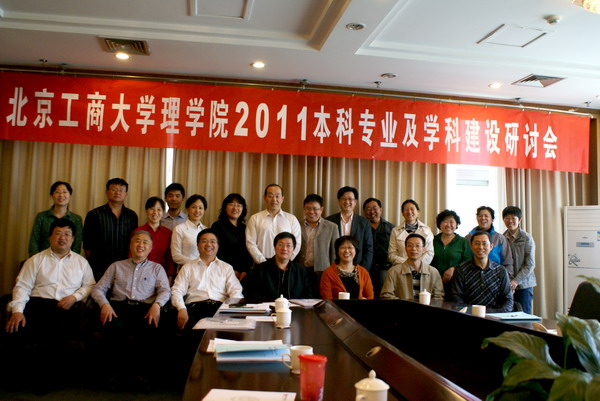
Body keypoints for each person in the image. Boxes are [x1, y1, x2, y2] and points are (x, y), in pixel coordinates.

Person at [4, 218, 95, 391]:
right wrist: (17, 311)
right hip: (37, 304)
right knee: (15, 327)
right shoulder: (35, 260)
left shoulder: (81, 262)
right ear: (50, 237)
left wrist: (74, 297)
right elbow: (22, 286)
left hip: (66, 306)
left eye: (67, 234)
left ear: (73, 239)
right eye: (58, 233)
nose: (63, 238)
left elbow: (90, 285)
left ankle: (45, 380)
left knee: (55, 331)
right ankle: (14, 380)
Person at [91, 230, 171, 388]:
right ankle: (115, 376)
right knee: (112, 330)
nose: (141, 245)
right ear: (130, 245)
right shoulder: (116, 266)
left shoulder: (157, 268)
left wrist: (157, 305)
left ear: (150, 248)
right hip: (118, 308)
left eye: (145, 242)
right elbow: (98, 289)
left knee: (151, 332)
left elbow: (165, 291)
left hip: (145, 309)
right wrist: (104, 304)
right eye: (137, 241)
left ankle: (142, 376)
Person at [171, 228, 244, 330]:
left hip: (220, 309)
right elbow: (176, 290)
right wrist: (181, 309)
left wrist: (231, 309)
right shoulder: (187, 267)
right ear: (197, 245)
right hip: (194, 309)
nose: (209, 244)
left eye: (213, 241)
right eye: (204, 241)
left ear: (218, 246)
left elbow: (236, 291)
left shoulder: (226, 268)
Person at [83, 177, 138, 280]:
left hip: (125, 266)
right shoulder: (94, 214)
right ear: (106, 192)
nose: (117, 193)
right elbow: (87, 243)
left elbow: (134, 240)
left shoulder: (132, 216)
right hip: (99, 265)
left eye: (121, 190)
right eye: (114, 189)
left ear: (126, 194)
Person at [448, 231, 513, 312]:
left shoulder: (500, 271)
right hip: (469, 315)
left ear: (491, 246)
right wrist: (470, 313)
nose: (481, 247)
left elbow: (508, 300)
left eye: (484, 244)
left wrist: (496, 315)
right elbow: (456, 297)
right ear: (471, 246)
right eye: (477, 243)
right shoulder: (461, 269)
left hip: (494, 316)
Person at [244, 232, 313, 300]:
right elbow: (252, 294)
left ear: (293, 249)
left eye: (288, 246)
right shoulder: (260, 270)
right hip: (268, 306)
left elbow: (308, 295)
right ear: (275, 247)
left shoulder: (301, 271)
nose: (284, 248)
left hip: (294, 307)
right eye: (280, 245)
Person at [245, 184, 301, 264]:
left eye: (277, 196)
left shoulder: (292, 219)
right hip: (262, 264)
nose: (274, 199)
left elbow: (297, 244)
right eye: (270, 196)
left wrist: (286, 261)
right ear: (265, 198)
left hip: (285, 264)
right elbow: (250, 243)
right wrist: (263, 263)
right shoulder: (255, 218)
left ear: (282, 199)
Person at [296, 194, 339, 292]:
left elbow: (335, 253)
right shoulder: (297, 225)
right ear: (304, 209)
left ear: (321, 209)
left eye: (315, 209)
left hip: (323, 271)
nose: (311, 212)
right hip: (301, 270)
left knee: (322, 297)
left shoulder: (332, 227)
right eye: (308, 208)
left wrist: (333, 273)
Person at [380, 233, 443, 300]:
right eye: (409, 245)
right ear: (405, 248)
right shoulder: (393, 272)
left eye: (417, 246)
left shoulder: (433, 272)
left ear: (423, 249)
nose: (413, 248)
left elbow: (438, 297)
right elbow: (387, 295)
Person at [28, 181, 83, 256]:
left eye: (64, 192)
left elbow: (77, 244)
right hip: (43, 259)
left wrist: (70, 260)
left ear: (70, 195)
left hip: (67, 260)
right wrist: (36, 259)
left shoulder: (76, 219)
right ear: (52, 195)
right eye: (57, 192)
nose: (61, 195)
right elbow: (34, 242)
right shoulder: (41, 217)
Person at [326, 186, 373, 271]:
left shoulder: (364, 223)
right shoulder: (329, 221)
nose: (347, 201)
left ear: (355, 202)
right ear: (339, 201)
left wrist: (362, 270)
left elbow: (368, 249)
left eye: (350, 199)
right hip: (334, 267)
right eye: (344, 199)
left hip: (358, 267)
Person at [211, 193, 253, 281]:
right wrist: (231, 270)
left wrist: (245, 270)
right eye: (231, 204)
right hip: (223, 272)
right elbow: (216, 252)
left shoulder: (245, 228)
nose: (235, 208)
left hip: (243, 274)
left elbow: (249, 250)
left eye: (239, 205)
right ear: (225, 207)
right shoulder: (218, 226)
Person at [465, 206, 514, 280]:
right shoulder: (468, 238)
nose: (483, 218)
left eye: (486, 216)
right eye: (480, 216)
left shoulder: (500, 239)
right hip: (473, 279)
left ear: (492, 219)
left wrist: (506, 280)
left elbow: (508, 263)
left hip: (496, 279)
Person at [502, 206, 536, 314]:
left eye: (513, 218)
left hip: (524, 285)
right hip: (507, 285)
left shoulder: (526, 238)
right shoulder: (502, 238)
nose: (510, 221)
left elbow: (530, 264)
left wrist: (516, 281)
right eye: (507, 218)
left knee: (524, 317)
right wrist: (509, 282)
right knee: (507, 316)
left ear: (519, 219)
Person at [132, 196, 175, 280]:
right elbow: (131, 255)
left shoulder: (168, 233)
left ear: (163, 212)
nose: (155, 213)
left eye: (159, 210)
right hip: (140, 274)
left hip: (161, 275)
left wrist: (170, 277)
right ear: (146, 211)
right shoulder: (138, 232)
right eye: (152, 209)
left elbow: (170, 258)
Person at [431, 209, 472, 296]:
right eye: (445, 221)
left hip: (456, 284)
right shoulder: (432, 240)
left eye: (451, 222)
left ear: (456, 224)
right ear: (439, 224)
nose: (448, 225)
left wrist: (454, 269)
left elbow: (468, 261)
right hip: (434, 282)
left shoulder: (463, 241)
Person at [320, 236, 374, 300]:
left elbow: (370, 296)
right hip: (335, 306)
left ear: (355, 251)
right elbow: (327, 299)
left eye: (350, 247)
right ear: (337, 251)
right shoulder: (328, 273)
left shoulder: (363, 272)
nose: (346, 251)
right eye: (342, 248)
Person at [363, 197, 395, 297]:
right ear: (364, 212)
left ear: (381, 210)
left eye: (375, 208)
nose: (372, 211)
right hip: (366, 267)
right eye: (368, 208)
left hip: (385, 268)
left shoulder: (391, 228)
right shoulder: (361, 227)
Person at [388, 199, 434, 266]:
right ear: (402, 213)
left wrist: (418, 265)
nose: (409, 212)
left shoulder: (427, 230)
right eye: (406, 210)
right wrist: (408, 263)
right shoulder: (395, 231)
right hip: (401, 267)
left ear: (417, 211)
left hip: (421, 268)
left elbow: (429, 253)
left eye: (412, 209)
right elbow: (392, 254)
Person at [171, 194, 208, 266]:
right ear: (187, 209)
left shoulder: (206, 230)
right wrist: (197, 263)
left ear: (204, 210)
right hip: (187, 269)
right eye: (193, 207)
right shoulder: (179, 229)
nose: (197, 211)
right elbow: (176, 256)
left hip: (205, 269)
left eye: (200, 208)